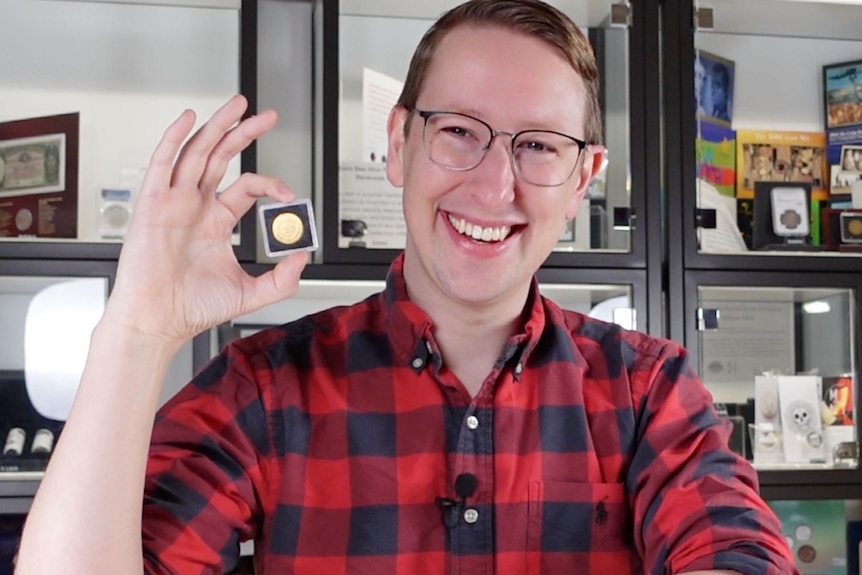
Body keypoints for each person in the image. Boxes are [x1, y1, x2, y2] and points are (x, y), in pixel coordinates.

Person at [16, 1, 797, 574]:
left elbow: (733, 547)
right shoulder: (267, 387)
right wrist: (135, 331)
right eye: (459, 130)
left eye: (538, 146)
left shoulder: (649, 388)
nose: (495, 186)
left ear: (583, 179)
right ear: (399, 143)